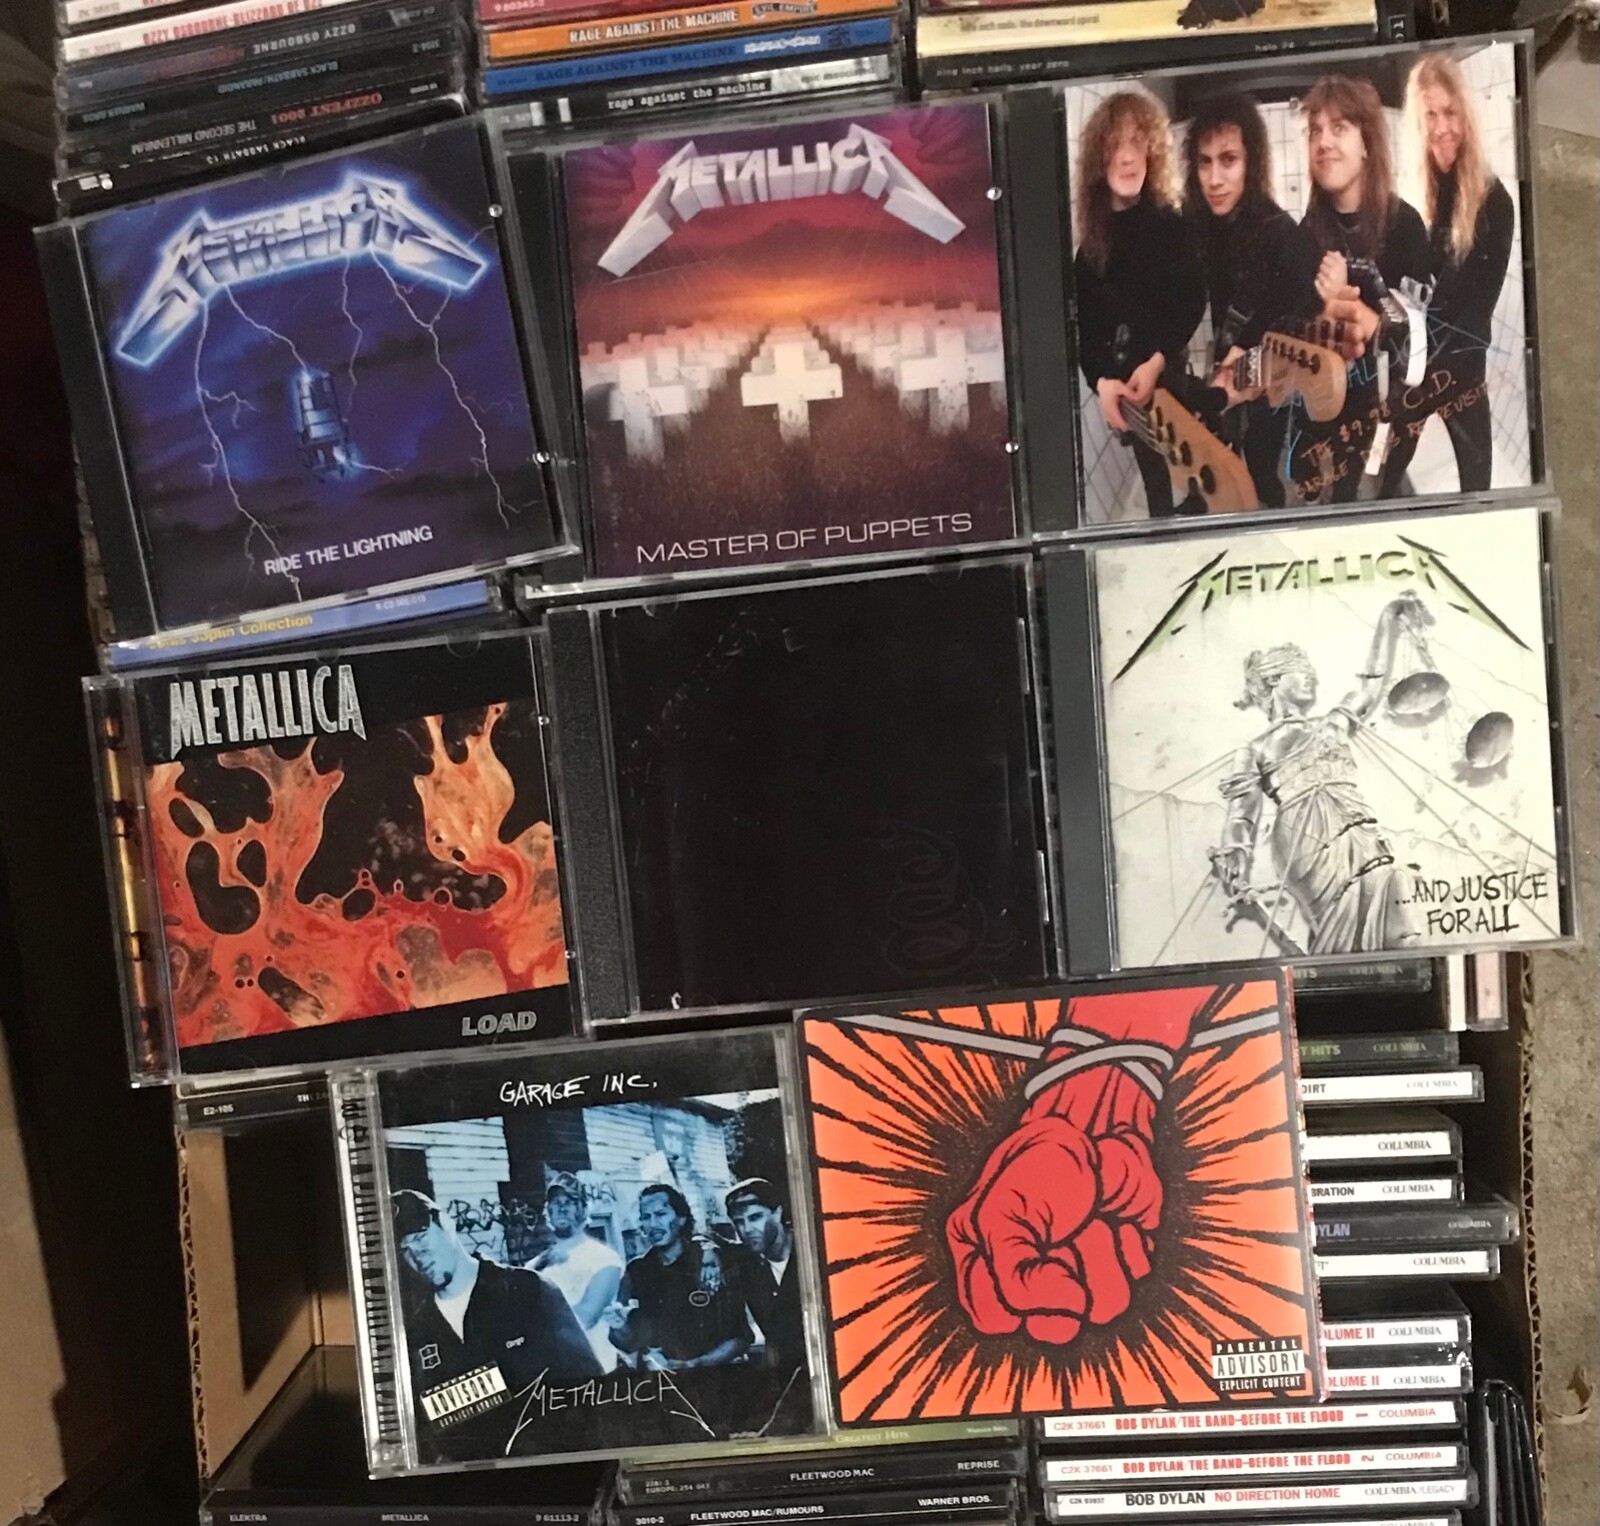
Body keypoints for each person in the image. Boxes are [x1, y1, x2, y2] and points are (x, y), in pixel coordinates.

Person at [1210, 591, 1431, 955]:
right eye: (1302, 673)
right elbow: (1241, 815)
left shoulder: (1331, 725)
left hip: (1357, 825)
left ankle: (1402, 966)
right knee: (1343, 913)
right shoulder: (1255, 749)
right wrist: (1235, 851)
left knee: (1394, 882)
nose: (1311, 679)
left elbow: (1370, 685)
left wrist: (1388, 621)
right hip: (1304, 838)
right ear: (1276, 679)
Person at [1293, 75, 1435, 503]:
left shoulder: (1405, 227)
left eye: (1339, 128)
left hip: (1387, 398)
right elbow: (1294, 326)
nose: (1323, 142)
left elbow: (1425, 339)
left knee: (1362, 486)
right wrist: (1322, 308)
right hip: (1326, 395)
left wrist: (1360, 312)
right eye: (1315, 131)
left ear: (1367, 144)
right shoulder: (1307, 233)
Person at [1379, 52, 1515, 496]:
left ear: (1466, 117)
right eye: (1430, 115)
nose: (1442, 127)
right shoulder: (1425, 191)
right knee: (1387, 475)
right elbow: (1414, 285)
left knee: (1477, 486)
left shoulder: (1495, 203)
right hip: (1422, 362)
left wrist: (1419, 375)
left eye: (1450, 113)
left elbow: (1476, 316)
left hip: (1461, 369)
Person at [1072, 90, 1208, 518]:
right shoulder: (1090, 251)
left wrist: (1158, 360)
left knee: (1196, 461)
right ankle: (1164, 525)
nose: (1128, 157)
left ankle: (1197, 508)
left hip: (1168, 371)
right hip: (1125, 391)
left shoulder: (1174, 226)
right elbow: (1087, 329)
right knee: (1153, 475)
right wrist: (1101, 383)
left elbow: (1192, 302)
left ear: (1151, 151)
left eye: (1136, 142)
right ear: (1100, 159)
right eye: (1115, 145)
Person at [392, 1190, 600, 1459]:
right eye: (405, 1249)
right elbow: (424, 1426)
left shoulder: (527, 1290)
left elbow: (590, 1387)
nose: (418, 1254)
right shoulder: (416, 1331)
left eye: (421, 1237)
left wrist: (457, 1398)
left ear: (446, 1224)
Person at [1183, 90, 1305, 507]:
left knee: (1263, 464)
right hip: (1227, 364)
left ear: (1251, 162)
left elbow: (1296, 315)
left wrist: (1247, 352)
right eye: (1204, 162)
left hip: (1272, 372)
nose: (1214, 179)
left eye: (1229, 159)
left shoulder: (1282, 233)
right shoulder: (1200, 225)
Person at [605, 1184, 750, 1373]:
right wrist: (620, 1326)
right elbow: (629, 1343)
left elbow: (740, 1338)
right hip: (659, 1380)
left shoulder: (709, 1263)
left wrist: (696, 1364)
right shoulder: (636, 1271)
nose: (653, 1224)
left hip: (712, 1377)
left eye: (661, 1214)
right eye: (646, 1217)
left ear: (681, 1218)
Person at [527, 1175, 624, 1372]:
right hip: (550, 1372)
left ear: (584, 1209)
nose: (562, 1208)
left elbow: (585, 1318)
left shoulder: (604, 1258)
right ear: (548, 1211)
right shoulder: (535, 1264)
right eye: (556, 1203)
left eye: (570, 1202)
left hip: (594, 1371)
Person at [722, 1179, 805, 1375]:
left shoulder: (811, 1252)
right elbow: (708, 1239)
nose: (746, 1229)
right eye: (739, 1222)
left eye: (755, 1217)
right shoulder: (746, 1265)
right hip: (786, 1377)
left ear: (777, 1212)